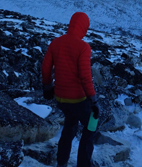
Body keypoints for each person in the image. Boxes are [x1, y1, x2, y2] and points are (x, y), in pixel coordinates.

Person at [42, 11, 99, 167]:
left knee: (70, 125)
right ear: (83, 27)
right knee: (91, 127)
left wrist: (47, 86)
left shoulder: (56, 42)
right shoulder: (83, 47)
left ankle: (62, 163)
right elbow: (85, 76)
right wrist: (93, 100)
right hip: (78, 99)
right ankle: (83, 164)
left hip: (61, 97)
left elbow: (46, 66)